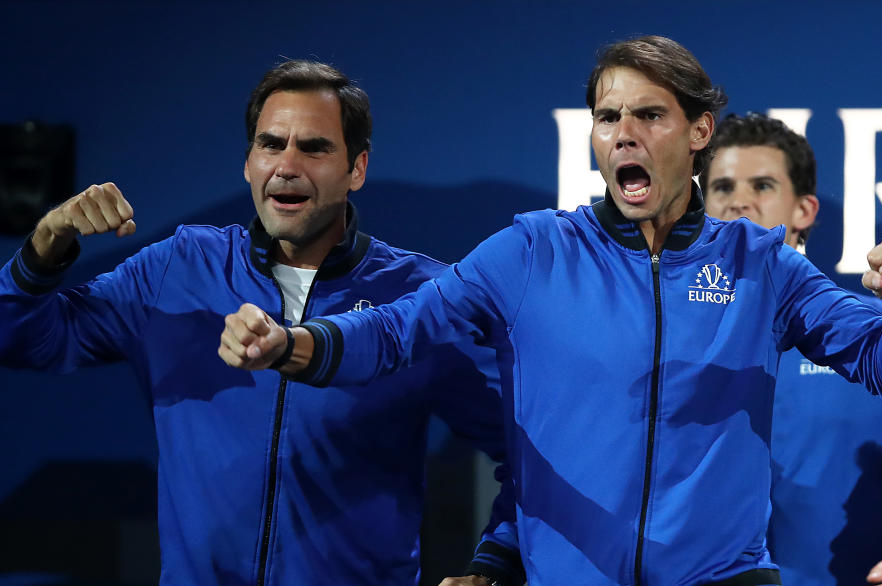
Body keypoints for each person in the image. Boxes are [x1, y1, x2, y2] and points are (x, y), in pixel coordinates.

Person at [220, 37, 882, 586]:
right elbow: (396, 330)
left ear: (700, 133)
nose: (623, 133)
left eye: (650, 115)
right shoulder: (532, 251)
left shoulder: (760, 264)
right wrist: (293, 344)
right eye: (608, 117)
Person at [0, 60, 520, 586]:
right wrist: (47, 243)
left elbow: (532, 455)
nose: (286, 165)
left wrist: (493, 567)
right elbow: (19, 339)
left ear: (357, 169)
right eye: (271, 145)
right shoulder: (178, 269)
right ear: (248, 162)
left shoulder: (419, 297)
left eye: (314, 148)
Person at [701, 112, 882, 586]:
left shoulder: (878, 335)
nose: (738, 202)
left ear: (804, 211)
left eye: (761, 186)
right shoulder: (664, 334)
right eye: (721, 188)